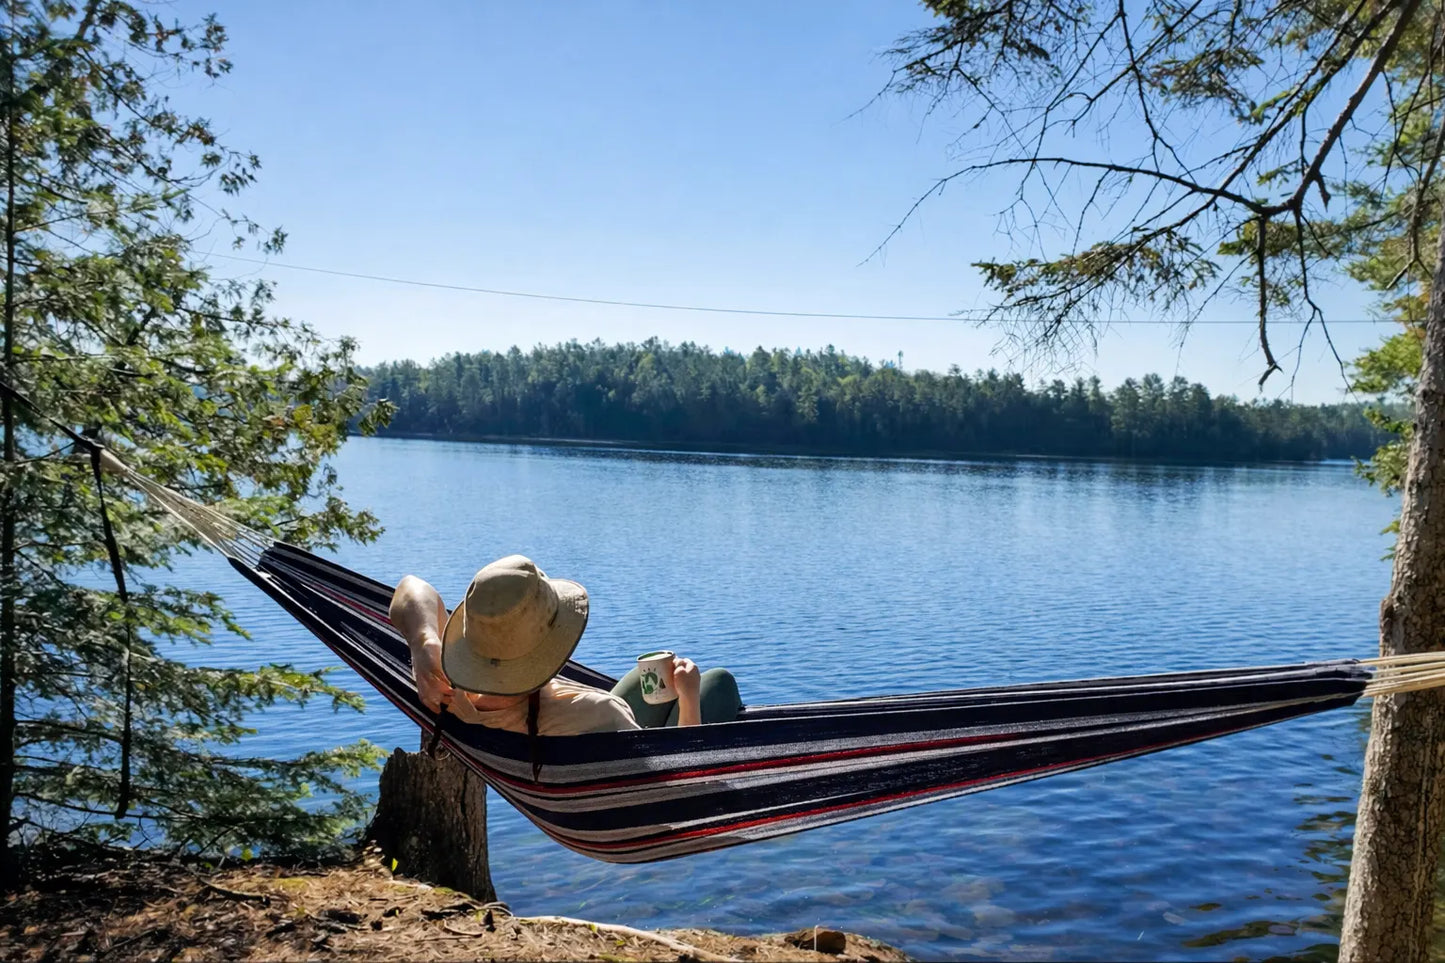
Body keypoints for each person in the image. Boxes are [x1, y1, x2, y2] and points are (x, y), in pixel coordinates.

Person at [389, 554, 741, 735]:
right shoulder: (599, 714)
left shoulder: (448, 695)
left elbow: (411, 587)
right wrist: (691, 698)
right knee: (717, 682)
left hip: (567, 736)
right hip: (623, 755)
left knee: (651, 682)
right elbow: (676, 775)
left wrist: (424, 644)